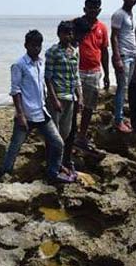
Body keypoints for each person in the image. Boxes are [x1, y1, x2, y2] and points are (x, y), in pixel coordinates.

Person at [0, 30, 73, 184]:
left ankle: (53, 172)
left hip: (41, 112)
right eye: (33, 45)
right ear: (26, 45)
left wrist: (51, 100)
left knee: (58, 143)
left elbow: (43, 85)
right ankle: (4, 174)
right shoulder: (19, 65)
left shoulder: (40, 63)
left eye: (38, 45)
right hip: (26, 114)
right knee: (15, 147)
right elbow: (15, 91)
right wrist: (20, 114)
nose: (36, 48)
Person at [45, 21, 83, 177]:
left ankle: (59, 163)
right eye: (65, 33)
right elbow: (48, 78)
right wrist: (54, 99)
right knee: (54, 135)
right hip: (57, 97)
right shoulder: (52, 52)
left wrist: (80, 97)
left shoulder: (74, 52)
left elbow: (76, 76)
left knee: (65, 133)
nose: (68, 36)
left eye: (70, 33)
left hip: (70, 97)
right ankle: (53, 166)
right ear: (59, 34)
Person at [72, 0, 110, 150]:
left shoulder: (102, 28)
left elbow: (104, 51)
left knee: (89, 107)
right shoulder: (75, 24)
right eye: (90, 8)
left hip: (94, 71)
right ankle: (71, 134)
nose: (93, 11)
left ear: (99, 10)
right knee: (74, 105)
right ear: (84, 9)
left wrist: (107, 74)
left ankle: (82, 136)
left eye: (95, 8)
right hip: (76, 70)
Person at [111, 0, 136, 133]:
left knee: (125, 88)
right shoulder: (119, 14)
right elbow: (114, 36)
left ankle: (120, 117)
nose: (132, 0)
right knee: (122, 88)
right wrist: (117, 57)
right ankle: (118, 120)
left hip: (132, 55)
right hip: (123, 55)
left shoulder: (132, 14)